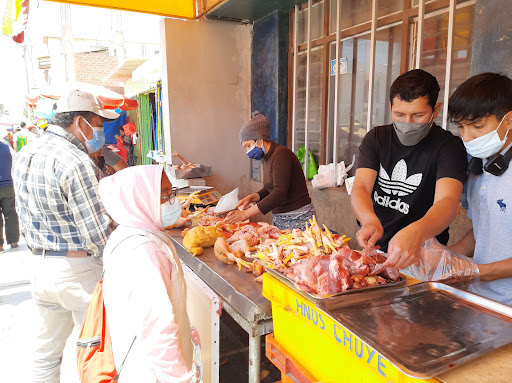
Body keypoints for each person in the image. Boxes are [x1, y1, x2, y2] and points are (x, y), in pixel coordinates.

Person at [12, 89, 116, 382]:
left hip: (40, 266)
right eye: (98, 123)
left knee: (46, 355)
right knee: (96, 352)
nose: (100, 131)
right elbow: (97, 234)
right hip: (78, 270)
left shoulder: (25, 153)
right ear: (79, 122)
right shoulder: (75, 160)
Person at [351, 69, 468, 269]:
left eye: (418, 115)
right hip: (376, 248)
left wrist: (416, 232)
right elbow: (361, 186)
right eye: (400, 114)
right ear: (390, 108)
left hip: (423, 254)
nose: (407, 123)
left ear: (436, 110)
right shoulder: (377, 139)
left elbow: (447, 202)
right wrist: (369, 220)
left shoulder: (449, 147)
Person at [98, 165, 193, 382]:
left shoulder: (126, 232)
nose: (173, 201)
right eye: (164, 196)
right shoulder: (144, 251)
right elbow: (158, 328)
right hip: (152, 371)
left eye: (172, 193)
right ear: (140, 200)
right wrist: (179, 378)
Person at [447, 72, 512, 305]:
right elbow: (483, 231)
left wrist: (476, 271)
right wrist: (446, 256)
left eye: (477, 126)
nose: (468, 137)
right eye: (461, 127)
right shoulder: (480, 164)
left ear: (509, 120)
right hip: (481, 300)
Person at [225, 112, 315, 230]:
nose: (247, 151)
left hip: (298, 218)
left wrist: (246, 214)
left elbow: (279, 193)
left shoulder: (281, 155)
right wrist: (253, 197)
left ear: (259, 140)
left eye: (248, 145)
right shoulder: (267, 157)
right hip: (281, 218)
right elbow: (270, 189)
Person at [0, 141, 19, 253]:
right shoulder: (7, 148)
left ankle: (0, 246)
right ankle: (13, 242)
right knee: (11, 214)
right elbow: (15, 164)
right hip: (7, 185)